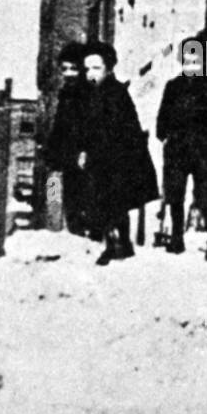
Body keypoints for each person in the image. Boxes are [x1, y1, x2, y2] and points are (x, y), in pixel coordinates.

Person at [76, 42, 160, 265]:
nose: (90, 74)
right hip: (99, 158)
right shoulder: (91, 96)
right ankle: (118, 242)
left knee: (113, 202)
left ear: (108, 68)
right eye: (87, 69)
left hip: (117, 159)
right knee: (103, 203)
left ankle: (117, 244)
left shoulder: (117, 94)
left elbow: (125, 129)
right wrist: (84, 150)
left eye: (96, 68)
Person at [156, 42, 207, 261]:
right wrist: (165, 136)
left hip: (202, 149)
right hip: (177, 149)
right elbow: (163, 116)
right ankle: (177, 239)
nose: (192, 65)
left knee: (206, 196)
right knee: (175, 195)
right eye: (188, 61)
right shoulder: (173, 87)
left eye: (196, 61)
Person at [39, 41, 90, 236]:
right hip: (68, 160)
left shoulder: (91, 93)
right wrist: (52, 154)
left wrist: (85, 150)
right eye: (65, 69)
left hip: (86, 159)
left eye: (73, 69)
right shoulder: (65, 95)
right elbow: (60, 128)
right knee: (69, 202)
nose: (68, 74)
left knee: (87, 203)